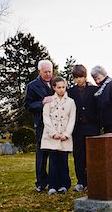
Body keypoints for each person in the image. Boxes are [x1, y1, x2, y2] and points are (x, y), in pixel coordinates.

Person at [41, 76, 76, 195]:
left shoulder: (71, 102)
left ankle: (64, 185)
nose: (61, 90)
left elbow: (72, 119)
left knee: (63, 161)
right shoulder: (49, 101)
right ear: (54, 88)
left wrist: (66, 134)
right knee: (53, 162)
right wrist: (53, 133)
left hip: (65, 136)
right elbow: (46, 117)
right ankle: (52, 185)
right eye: (59, 87)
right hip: (52, 136)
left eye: (63, 87)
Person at [67, 64, 100, 192]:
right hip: (78, 128)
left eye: (81, 77)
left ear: (85, 76)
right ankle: (81, 181)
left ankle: (93, 181)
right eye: (76, 78)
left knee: (92, 155)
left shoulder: (93, 90)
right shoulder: (70, 92)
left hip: (92, 127)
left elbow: (99, 107)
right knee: (79, 155)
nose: (79, 80)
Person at [24, 59, 54, 192]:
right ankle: (41, 183)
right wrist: (42, 102)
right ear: (39, 71)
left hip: (57, 124)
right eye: (45, 72)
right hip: (42, 125)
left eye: (50, 71)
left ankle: (54, 182)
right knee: (42, 155)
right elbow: (28, 105)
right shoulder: (32, 86)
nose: (48, 74)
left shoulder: (57, 83)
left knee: (55, 154)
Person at [91, 65, 112, 134]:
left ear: (104, 75)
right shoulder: (100, 90)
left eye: (99, 78)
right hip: (105, 126)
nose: (97, 81)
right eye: (95, 79)